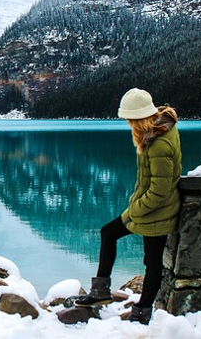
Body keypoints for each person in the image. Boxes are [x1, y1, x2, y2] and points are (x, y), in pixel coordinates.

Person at [74, 88, 182, 325]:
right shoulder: (156, 132)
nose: (128, 124)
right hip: (147, 208)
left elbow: (160, 190)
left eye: (130, 119)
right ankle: (100, 292)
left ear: (139, 117)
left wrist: (135, 209)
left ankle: (142, 311)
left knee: (152, 263)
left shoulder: (159, 143)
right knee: (108, 232)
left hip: (157, 211)